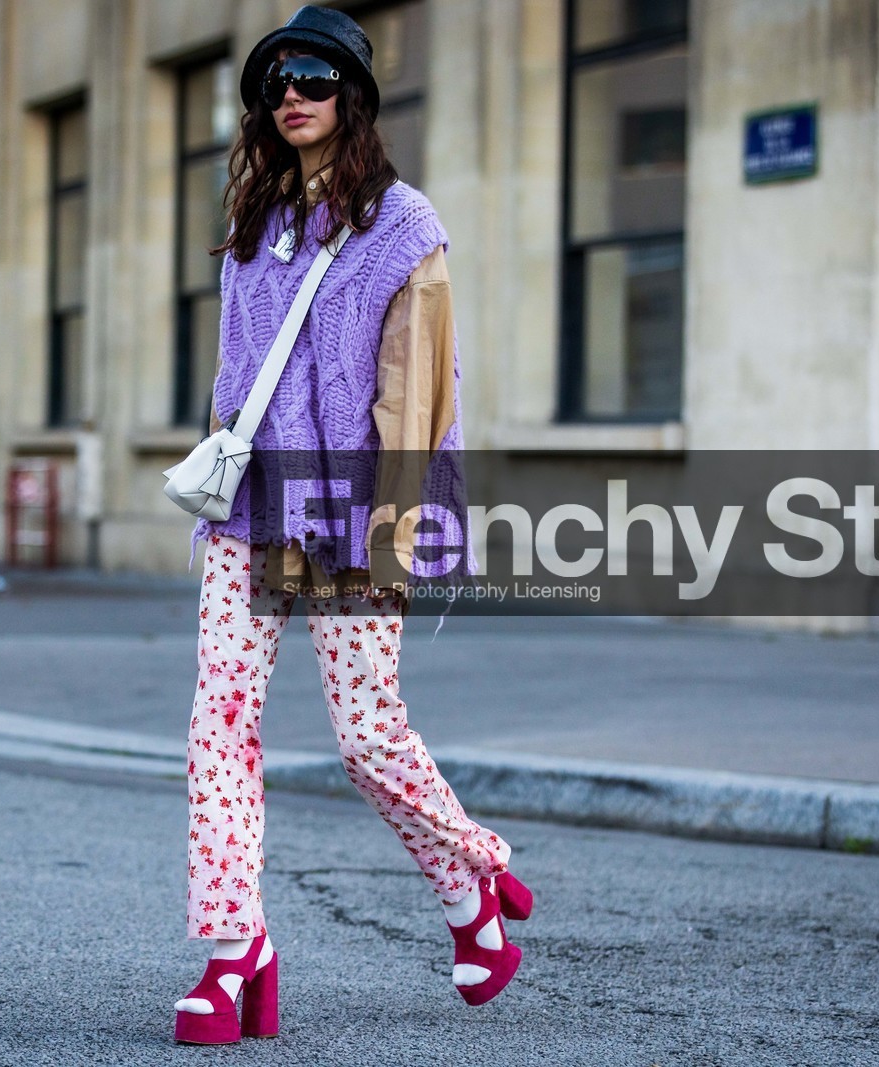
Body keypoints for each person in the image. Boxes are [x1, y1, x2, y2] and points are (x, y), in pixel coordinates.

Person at [172, 7, 532, 1046]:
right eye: (277, 78)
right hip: (252, 506)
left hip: (351, 508)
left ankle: (475, 880)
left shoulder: (402, 227)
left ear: (354, 97)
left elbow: (417, 393)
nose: (293, 92)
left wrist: (394, 531)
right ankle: (233, 948)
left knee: (368, 735)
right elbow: (236, 376)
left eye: (316, 77)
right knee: (215, 727)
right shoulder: (250, 228)